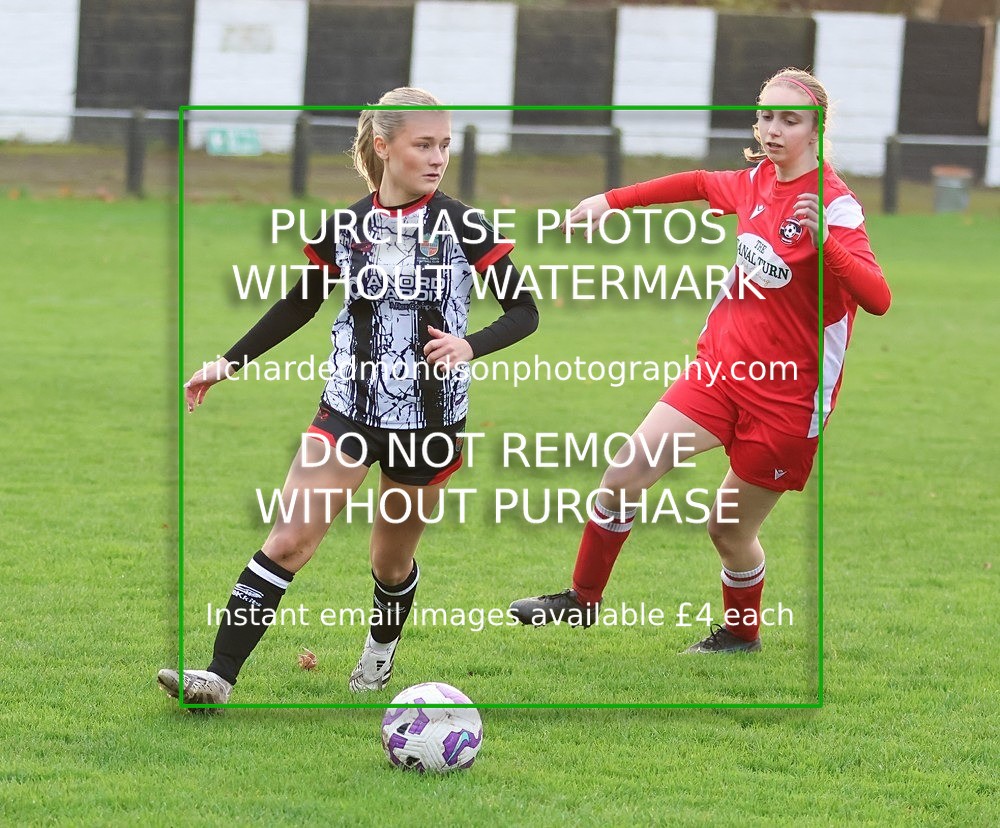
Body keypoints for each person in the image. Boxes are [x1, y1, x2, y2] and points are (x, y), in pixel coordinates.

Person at [159, 87, 538, 705]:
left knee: (390, 565)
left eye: (444, 145)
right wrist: (227, 363)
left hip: (430, 423)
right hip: (348, 409)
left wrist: (470, 345)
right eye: (424, 145)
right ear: (383, 147)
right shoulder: (345, 227)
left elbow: (524, 312)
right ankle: (218, 676)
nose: (438, 157)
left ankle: (378, 656)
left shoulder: (465, 226)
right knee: (289, 540)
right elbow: (300, 303)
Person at [509, 68, 890, 653]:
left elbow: (878, 298)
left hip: (788, 401)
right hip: (720, 374)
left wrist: (828, 246)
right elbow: (692, 182)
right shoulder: (756, 181)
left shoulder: (834, 207)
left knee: (728, 529)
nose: (773, 129)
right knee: (623, 475)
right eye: (765, 116)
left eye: (790, 120)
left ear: (816, 130)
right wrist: (611, 200)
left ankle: (741, 635)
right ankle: (582, 601)